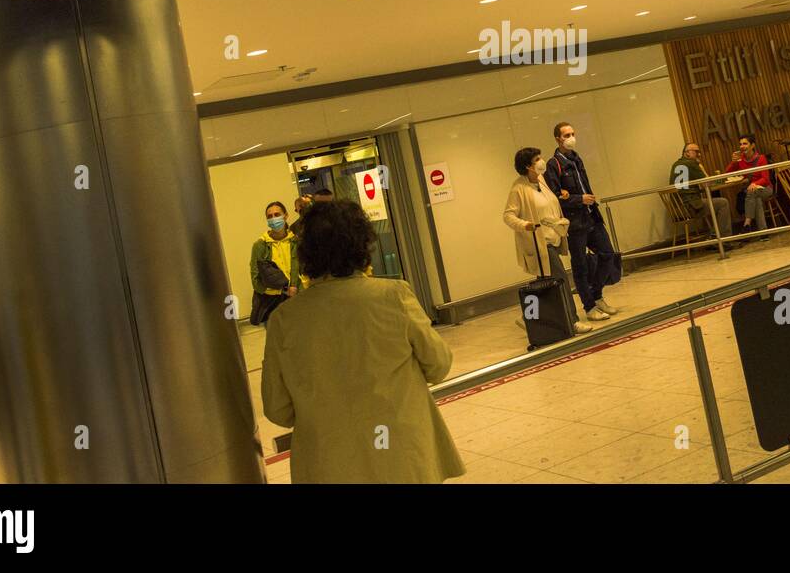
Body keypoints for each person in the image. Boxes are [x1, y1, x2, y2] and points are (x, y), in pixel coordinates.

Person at [261, 200, 464, 483]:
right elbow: (439, 365)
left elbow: (277, 408)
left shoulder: (284, 320)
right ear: (363, 244)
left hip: (327, 463)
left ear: (305, 254)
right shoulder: (394, 296)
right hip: (401, 453)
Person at [502, 147, 592, 334]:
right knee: (560, 280)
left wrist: (562, 197)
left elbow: (547, 204)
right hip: (540, 243)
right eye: (537, 159)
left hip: (554, 237)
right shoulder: (519, 189)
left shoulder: (541, 181)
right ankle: (572, 321)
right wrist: (526, 225)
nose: (541, 161)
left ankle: (529, 316)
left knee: (542, 285)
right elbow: (508, 215)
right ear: (528, 166)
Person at [543, 123, 621, 322]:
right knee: (580, 265)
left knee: (608, 255)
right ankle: (589, 307)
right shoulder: (554, 164)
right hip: (575, 224)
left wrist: (588, 201)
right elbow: (555, 197)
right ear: (558, 139)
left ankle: (596, 294)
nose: (571, 137)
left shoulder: (576, 159)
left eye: (573, 133)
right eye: (567, 135)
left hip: (592, 217)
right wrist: (578, 199)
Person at [249, 201, 300, 326]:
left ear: (286, 215)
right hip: (272, 303)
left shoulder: (296, 242)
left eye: (277, 214)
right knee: (277, 342)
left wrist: (296, 288)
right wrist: (283, 290)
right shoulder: (260, 245)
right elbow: (256, 281)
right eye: (270, 216)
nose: (274, 219)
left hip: (298, 299)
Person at [671, 142, 732, 237]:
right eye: (696, 152)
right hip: (691, 206)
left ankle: (714, 235)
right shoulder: (691, 163)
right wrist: (701, 168)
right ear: (687, 153)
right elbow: (707, 184)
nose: (699, 154)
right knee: (723, 203)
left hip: (677, 208)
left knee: (715, 202)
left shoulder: (676, 164)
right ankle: (723, 239)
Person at [724, 134, 773, 235]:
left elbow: (765, 179)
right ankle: (763, 233)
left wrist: (754, 184)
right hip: (752, 191)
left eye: (745, 143)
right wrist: (733, 162)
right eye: (740, 144)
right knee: (755, 197)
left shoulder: (761, 158)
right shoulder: (740, 159)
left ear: (752, 145)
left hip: (766, 188)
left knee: (751, 192)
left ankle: (747, 223)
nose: (742, 146)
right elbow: (727, 174)